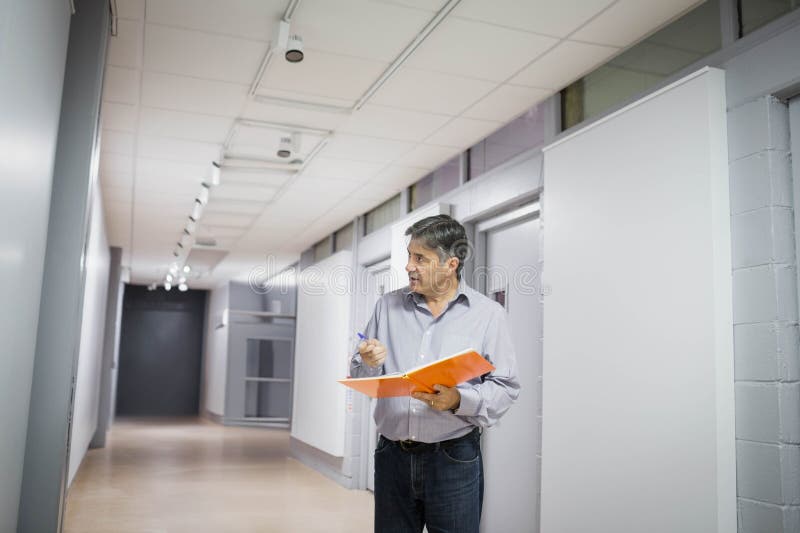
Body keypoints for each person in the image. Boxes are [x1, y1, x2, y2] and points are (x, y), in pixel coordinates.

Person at [351, 214, 520, 533]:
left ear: (450, 264)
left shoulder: (488, 316)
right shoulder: (387, 307)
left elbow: (506, 386)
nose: (409, 266)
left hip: (453, 458)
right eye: (409, 256)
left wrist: (459, 400)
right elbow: (359, 373)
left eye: (420, 258)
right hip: (392, 456)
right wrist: (368, 360)